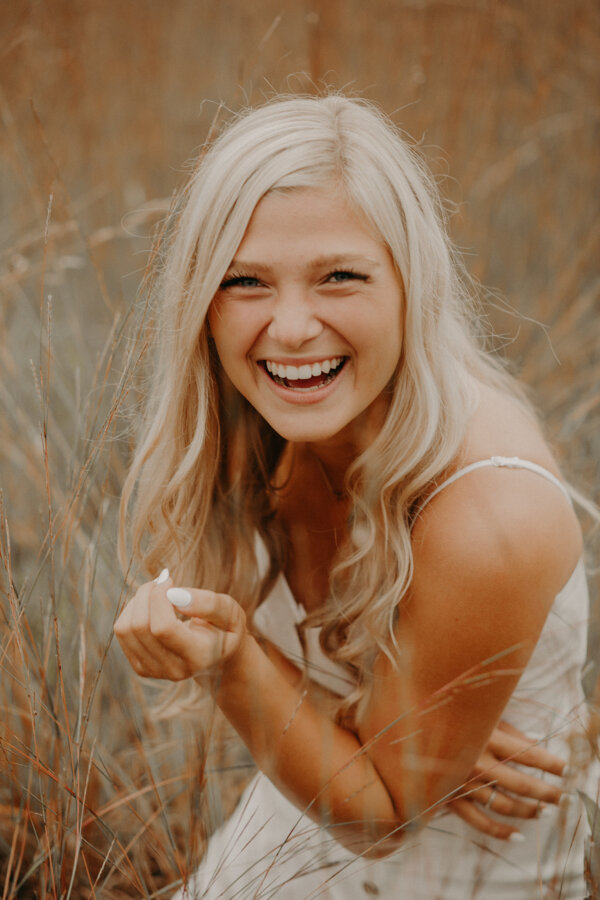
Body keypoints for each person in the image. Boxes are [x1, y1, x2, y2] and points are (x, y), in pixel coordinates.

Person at [114, 95, 598, 898]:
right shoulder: (253, 422)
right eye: (246, 281)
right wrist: (367, 723)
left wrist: (235, 660)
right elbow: (350, 745)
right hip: (272, 849)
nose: (293, 327)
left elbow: (383, 817)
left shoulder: (490, 515)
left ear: (412, 283)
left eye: (339, 276)